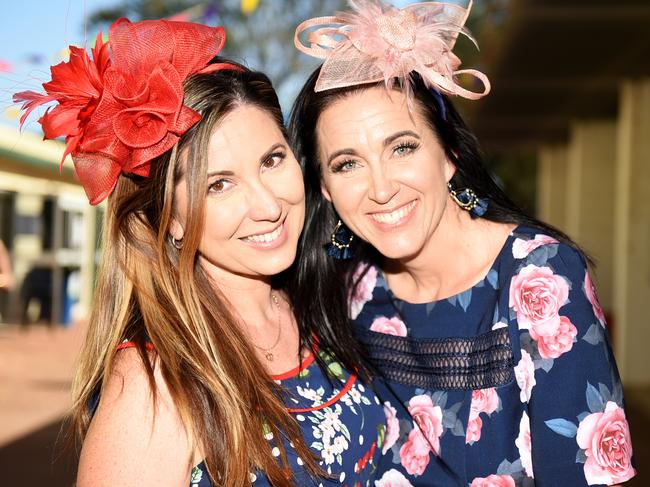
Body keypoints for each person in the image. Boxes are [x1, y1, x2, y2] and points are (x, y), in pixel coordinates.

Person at [15, 18, 386, 486]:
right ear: (168, 218)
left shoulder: (319, 300)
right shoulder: (154, 385)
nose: (269, 206)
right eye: (220, 184)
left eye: (272, 160)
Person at [289, 1, 636, 485]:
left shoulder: (539, 277)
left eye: (402, 148)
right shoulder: (348, 292)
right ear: (326, 189)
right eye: (347, 164)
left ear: (448, 154)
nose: (382, 188)